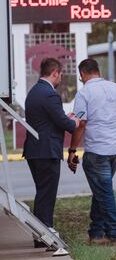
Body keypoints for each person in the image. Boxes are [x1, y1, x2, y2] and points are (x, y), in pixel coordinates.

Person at [68, 59, 116, 246]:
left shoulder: (84, 93)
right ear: (98, 71)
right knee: (101, 189)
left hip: (97, 150)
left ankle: (115, 235)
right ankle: (96, 233)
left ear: (83, 74)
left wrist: (71, 150)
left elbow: (81, 124)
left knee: (104, 191)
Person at [23, 58, 81, 248]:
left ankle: (39, 234)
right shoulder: (50, 94)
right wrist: (74, 122)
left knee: (42, 193)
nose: (60, 78)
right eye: (60, 74)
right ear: (55, 73)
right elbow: (64, 123)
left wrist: (65, 118)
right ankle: (45, 232)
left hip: (34, 150)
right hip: (46, 151)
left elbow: (50, 119)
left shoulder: (33, 92)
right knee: (47, 195)